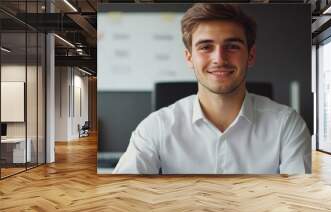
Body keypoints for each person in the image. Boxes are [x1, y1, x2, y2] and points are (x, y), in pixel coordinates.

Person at [113, 3, 311, 174]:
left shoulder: (286, 125)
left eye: (232, 46)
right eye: (206, 47)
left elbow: (300, 204)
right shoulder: (156, 126)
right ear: (189, 57)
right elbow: (120, 197)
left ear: (250, 56)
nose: (219, 59)